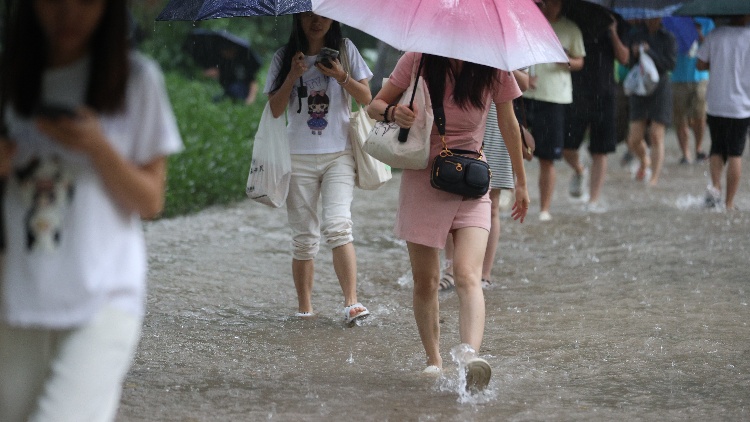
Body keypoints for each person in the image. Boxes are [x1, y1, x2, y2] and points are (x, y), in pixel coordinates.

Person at [0, 0, 184, 421]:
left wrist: (97, 147)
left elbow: (151, 200)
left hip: (103, 295)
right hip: (14, 293)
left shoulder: (136, 80)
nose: (68, 12)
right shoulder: (7, 80)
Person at [367, 53, 530, 392]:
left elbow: (509, 124)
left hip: (471, 181)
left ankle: (470, 357)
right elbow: (375, 105)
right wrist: (393, 113)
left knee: (468, 275)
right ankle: (434, 359)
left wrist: (521, 182)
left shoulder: (493, 65)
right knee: (426, 281)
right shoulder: (417, 59)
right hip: (422, 179)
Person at [265, 12, 373, 323]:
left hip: (339, 153)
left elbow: (367, 97)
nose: (317, 21)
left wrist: (341, 76)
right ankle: (305, 309)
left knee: (339, 225)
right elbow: (274, 109)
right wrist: (291, 75)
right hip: (296, 157)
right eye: (309, 15)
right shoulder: (284, 57)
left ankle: (351, 303)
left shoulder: (346, 50)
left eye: (323, 15)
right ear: (297, 17)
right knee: (303, 237)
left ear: (334, 16)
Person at [440, 70, 530, 291]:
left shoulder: (509, 42)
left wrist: (502, 64)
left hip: (497, 123)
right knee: (452, 197)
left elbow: (524, 84)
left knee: (493, 204)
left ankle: (485, 273)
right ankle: (451, 268)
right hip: (461, 121)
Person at [522, 0, 585, 221]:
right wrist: (523, 78)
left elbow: (579, 61)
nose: (552, 5)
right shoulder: (528, 24)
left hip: (554, 98)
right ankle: (506, 194)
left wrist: (566, 61)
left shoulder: (571, 29)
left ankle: (544, 209)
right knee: (514, 148)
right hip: (525, 95)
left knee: (547, 157)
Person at [563, 16, 629, 212]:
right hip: (575, 92)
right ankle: (579, 169)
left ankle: (593, 200)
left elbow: (624, 58)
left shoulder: (617, 21)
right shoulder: (575, 16)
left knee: (601, 149)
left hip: (606, 93)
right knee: (565, 145)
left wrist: (613, 32)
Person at [696, 14, 750, 210]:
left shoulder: (715, 35)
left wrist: (717, 64)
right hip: (741, 106)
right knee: (735, 153)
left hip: (716, 103)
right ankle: (729, 203)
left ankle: (716, 187)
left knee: (717, 148)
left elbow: (699, 64)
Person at [624, 18, 677, 186]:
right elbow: (630, 65)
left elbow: (670, 65)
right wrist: (634, 54)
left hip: (660, 88)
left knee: (656, 134)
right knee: (634, 138)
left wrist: (650, 52)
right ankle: (644, 159)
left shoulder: (668, 38)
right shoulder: (636, 35)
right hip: (639, 88)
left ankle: (654, 178)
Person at [671, 17, 714, 164]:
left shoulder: (707, 23)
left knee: (700, 114)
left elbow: (711, 48)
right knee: (680, 117)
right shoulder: (673, 20)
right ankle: (685, 153)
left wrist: (698, 34)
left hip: (700, 76)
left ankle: (699, 149)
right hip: (678, 76)